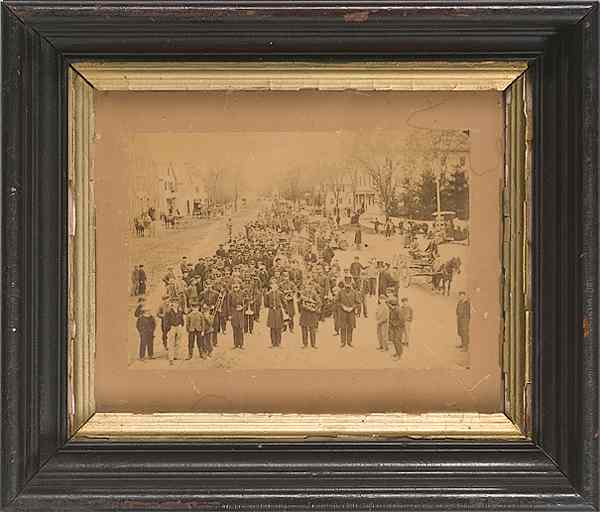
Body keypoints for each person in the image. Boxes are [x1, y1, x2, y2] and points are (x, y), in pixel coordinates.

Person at [336, 280, 358, 348]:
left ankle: (349, 341)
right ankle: (343, 342)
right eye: (346, 285)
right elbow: (336, 301)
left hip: (351, 312)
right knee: (343, 327)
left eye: (349, 285)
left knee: (350, 327)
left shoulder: (354, 292)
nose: (347, 287)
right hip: (343, 312)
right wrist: (342, 306)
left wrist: (353, 307)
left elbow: (358, 303)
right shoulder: (340, 292)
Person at [164, 300, 185, 365]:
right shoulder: (168, 312)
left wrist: (181, 325)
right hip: (172, 327)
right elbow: (165, 321)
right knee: (171, 343)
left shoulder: (180, 311)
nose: (175, 304)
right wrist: (168, 329)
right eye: (173, 303)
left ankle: (176, 355)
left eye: (176, 303)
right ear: (172, 304)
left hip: (178, 327)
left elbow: (182, 319)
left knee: (178, 342)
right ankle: (171, 358)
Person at [265, 282, 284, 347]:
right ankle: (273, 343)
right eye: (272, 287)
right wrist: (270, 306)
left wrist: (286, 311)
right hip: (271, 311)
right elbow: (266, 303)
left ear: (277, 287)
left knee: (278, 327)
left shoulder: (280, 294)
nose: (274, 288)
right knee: (272, 328)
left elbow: (284, 302)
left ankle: (278, 343)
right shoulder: (268, 294)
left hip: (278, 311)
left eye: (275, 287)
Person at [228, 282, 245, 349]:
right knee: (235, 329)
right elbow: (228, 305)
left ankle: (241, 344)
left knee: (240, 329)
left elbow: (246, 302)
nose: (236, 288)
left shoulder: (242, 293)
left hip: (240, 313)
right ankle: (235, 344)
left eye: (237, 286)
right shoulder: (230, 294)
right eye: (234, 286)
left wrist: (242, 307)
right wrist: (229, 314)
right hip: (233, 312)